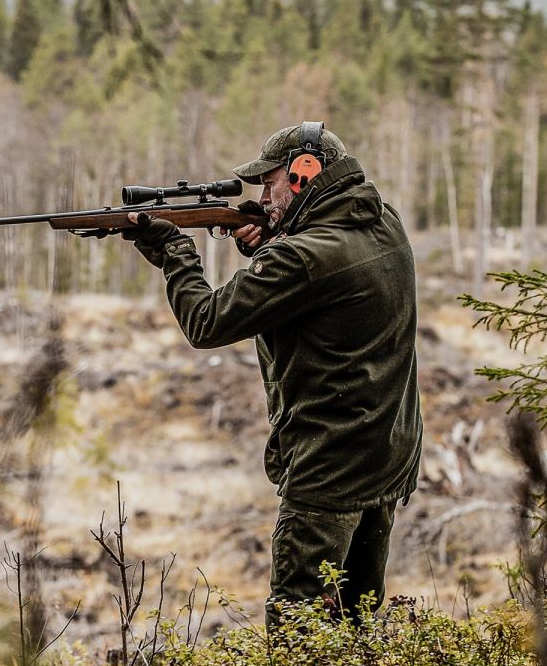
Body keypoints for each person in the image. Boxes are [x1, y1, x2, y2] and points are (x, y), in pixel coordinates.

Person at [123, 122, 422, 627]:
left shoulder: (302, 256)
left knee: (297, 630)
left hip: (328, 469)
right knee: (356, 623)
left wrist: (176, 254)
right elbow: (321, 288)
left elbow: (207, 322)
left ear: (306, 173)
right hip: (387, 455)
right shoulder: (382, 223)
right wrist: (270, 245)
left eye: (270, 182)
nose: (262, 196)